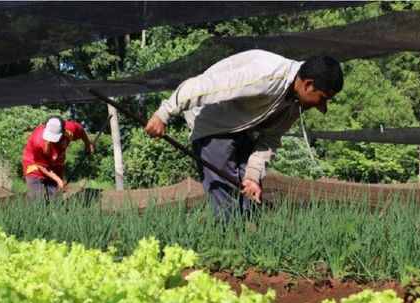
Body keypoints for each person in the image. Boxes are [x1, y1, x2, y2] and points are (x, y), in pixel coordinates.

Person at [144, 50, 343, 220]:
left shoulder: (295, 103)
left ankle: (246, 245)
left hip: (242, 126)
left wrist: (252, 177)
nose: (320, 105)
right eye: (322, 98)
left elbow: (269, 139)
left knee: (247, 195)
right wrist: (165, 113)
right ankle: (228, 248)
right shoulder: (266, 76)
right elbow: (203, 85)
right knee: (224, 191)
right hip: (212, 121)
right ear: (308, 85)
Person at [22, 115, 94, 197]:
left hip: (56, 166)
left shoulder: (70, 129)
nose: (50, 141)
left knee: (55, 199)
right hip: (35, 167)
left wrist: (88, 144)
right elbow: (41, 166)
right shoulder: (38, 140)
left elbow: (80, 130)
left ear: (63, 132)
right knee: (38, 199)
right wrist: (58, 180)